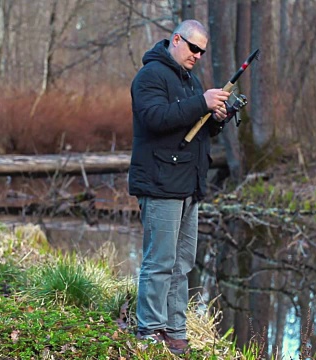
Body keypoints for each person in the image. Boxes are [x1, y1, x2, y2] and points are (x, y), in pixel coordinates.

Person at [128, 19, 230, 355]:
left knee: (183, 263)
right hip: (160, 184)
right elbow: (155, 118)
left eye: (203, 51)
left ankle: (175, 330)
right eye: (193, 48)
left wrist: (217, 118)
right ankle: (149, 332)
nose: (198, 55)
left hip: (189, 185)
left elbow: (194, 130)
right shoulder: (150, 76)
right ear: (176, 40)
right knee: (159, 261)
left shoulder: (191, 81)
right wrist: (202, 103)